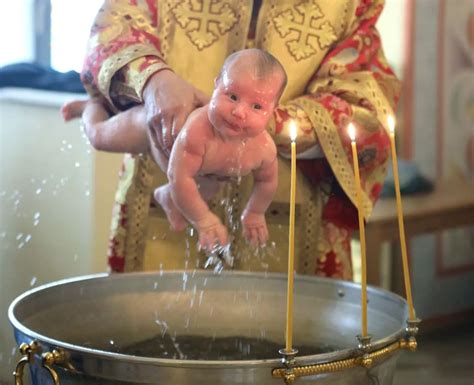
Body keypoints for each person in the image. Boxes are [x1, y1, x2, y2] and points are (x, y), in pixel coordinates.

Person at [79, 0, 400, 278]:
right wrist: (153, 80)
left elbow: (367, 109)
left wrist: (263, 124)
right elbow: (110, 32)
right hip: (153, 210)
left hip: (297, 224)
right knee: (143, 333)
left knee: (290, 338)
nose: (239, 113)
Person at [63, 49, 286, 250]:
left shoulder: (264, 149)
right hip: (146, 126)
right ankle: (90, 108)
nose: (239, 112)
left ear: (273, 110)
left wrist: (255, 213)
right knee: (100, 137)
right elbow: (179, 177)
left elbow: (266, 182)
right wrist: (204, 220)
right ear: (217, 85)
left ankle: (168, 196)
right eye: (232, 96)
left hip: (198, 166)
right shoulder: (197, 132)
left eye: (256, 106)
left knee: (207, 186)